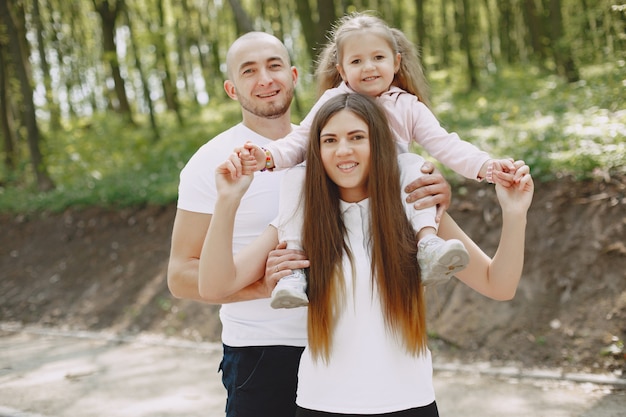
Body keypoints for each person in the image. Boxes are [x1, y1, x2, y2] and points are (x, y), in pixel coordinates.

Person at [167, 32, 453, 417]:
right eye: (249, 71)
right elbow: (182, 274)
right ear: (232, 89)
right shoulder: (215, 163)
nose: (265, 79)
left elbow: (390, 198)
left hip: (343, 350)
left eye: (274, 65)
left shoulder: (332, 144)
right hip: (263, 351)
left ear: (295, 74)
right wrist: (262, 286)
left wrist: (435, 198)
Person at [200, 93, 534, 417]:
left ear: (379, 143)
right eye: (329, 140)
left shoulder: (415, 207)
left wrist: (515, 213)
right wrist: (227, 200)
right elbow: (216, 287)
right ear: (316, 150)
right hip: (322, 404)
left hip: (410, 403)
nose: (343, 150)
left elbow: (498, 285)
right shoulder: (301, 217)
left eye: (357, 137)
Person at [238, 12, 519, 308]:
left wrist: (487, 167)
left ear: (396, 63)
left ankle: (427, 243)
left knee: (414, 165)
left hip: (389, 185)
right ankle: (294, 269)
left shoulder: (407, 106)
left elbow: (445, 143)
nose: (368, 67)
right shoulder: (333, 101)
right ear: (342, 70)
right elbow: (300, 141)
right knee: (295, 177)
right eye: (356, 61)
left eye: (378, 58)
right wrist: (268, 157)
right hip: (340, 184)